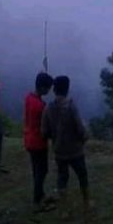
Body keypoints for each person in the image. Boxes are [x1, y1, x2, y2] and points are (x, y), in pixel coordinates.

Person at [41, 75, 90, 208]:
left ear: (54, 90)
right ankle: (86, 202)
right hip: (75, 150)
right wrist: (85, 138)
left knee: (62, 178)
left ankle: (65, 208)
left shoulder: (48, 108)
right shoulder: (71, 106)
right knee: (82, 175)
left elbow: (44, 132)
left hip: (59, 151)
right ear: (67, 89)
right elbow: (80, 128)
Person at [24, 72, 55, 211]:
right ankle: (37, 201)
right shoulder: (40, 106)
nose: (49, 90)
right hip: (38, 142)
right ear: (42, 87)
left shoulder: (29, 98)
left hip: (29, 139)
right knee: (41, 171)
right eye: (48, 88)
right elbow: (44, 128)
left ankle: (41, 195)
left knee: (37, 170)